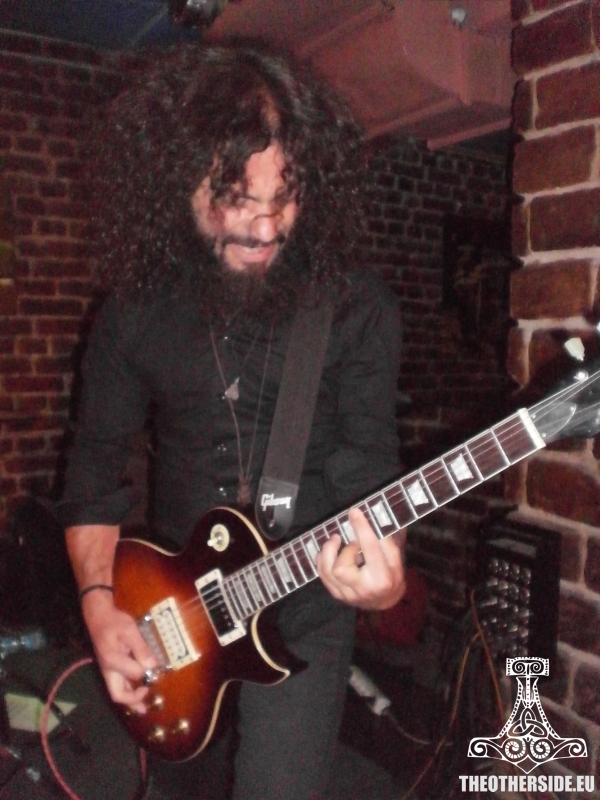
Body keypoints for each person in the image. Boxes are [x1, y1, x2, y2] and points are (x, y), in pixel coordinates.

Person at [58, 42, 405, 800]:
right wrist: (99, 606)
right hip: (170, 610)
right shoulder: (134, 314)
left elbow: (371, 472)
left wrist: (384, 581)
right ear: (177, 182)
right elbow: (92, 475)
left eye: (285, 196)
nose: (265, 228)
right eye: (234, 198)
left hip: (304, 609)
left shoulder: (356, 309)